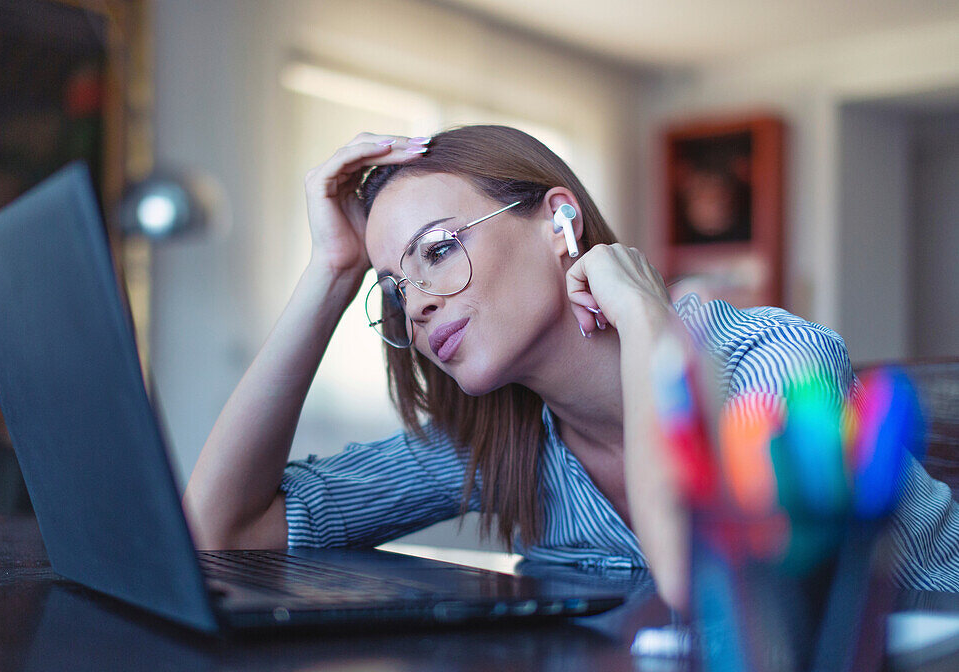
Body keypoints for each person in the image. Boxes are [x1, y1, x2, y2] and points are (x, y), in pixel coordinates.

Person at [183, 125, 959, 609]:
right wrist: (330, 272)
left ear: (560, 221)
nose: (413, 304)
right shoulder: (497, 441)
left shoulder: (772, 357)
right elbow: (223, 530)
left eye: (439, 250)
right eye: (392, 286)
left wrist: (649, 322)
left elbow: (713, 582)